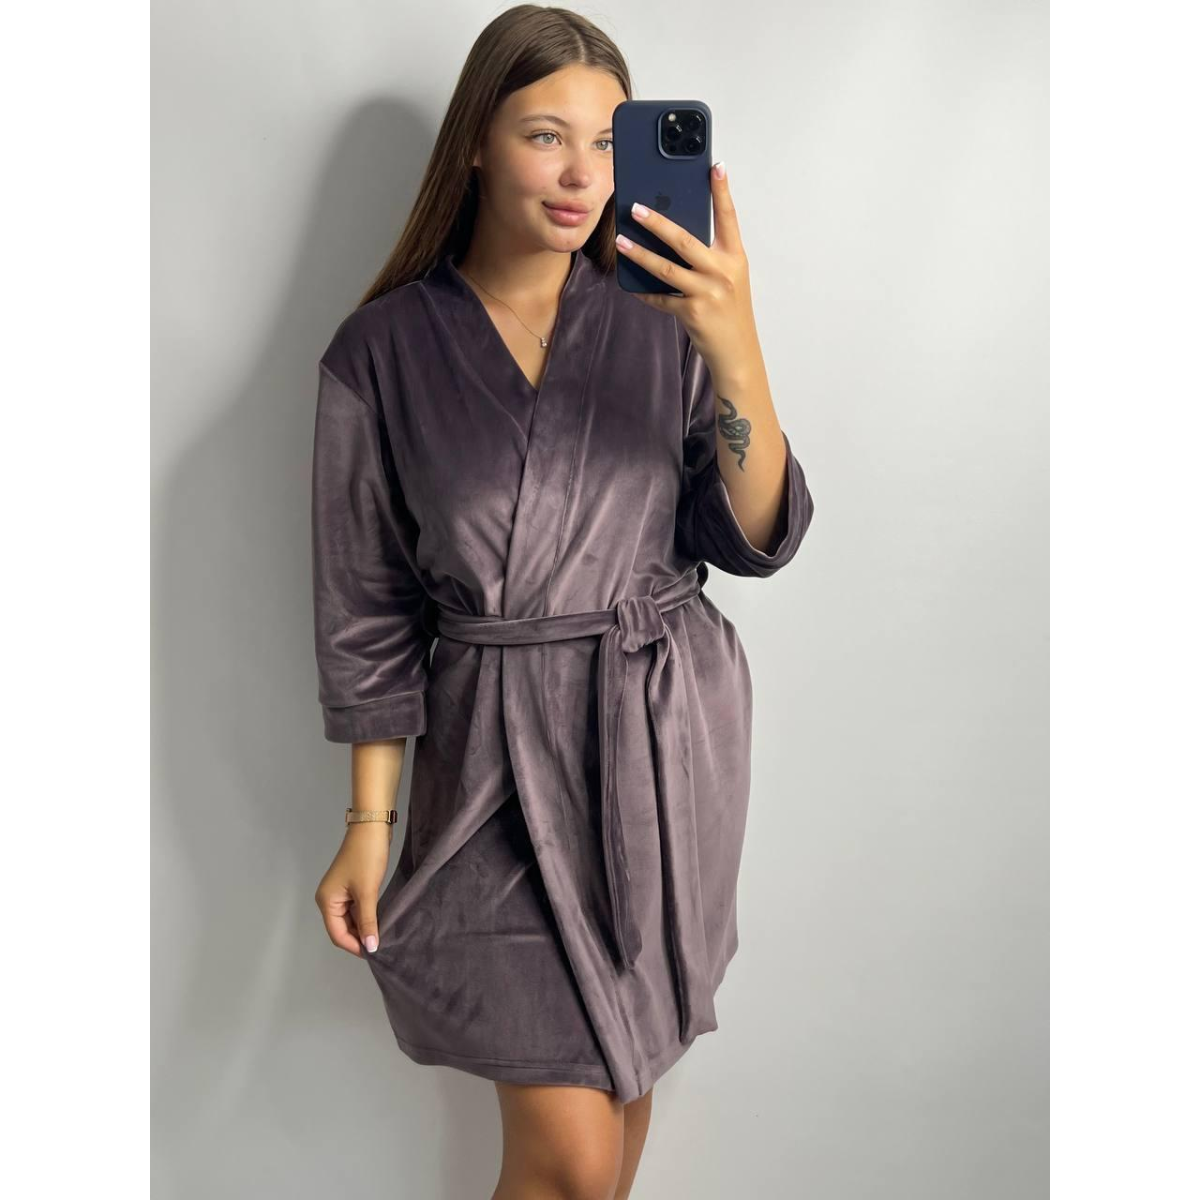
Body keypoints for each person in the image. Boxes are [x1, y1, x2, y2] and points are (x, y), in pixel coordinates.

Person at [310, 6, 815, 1197]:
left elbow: (752, 537)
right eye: (546, 136)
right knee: (576, 1161)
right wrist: (371, 823)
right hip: (489, 769)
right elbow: (368, 605)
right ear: (476, 147)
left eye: (606, 141)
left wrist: (735, 347)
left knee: (613, 1141)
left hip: (657, 756)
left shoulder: (659, 320)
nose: (584, 175)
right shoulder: (381, 352)